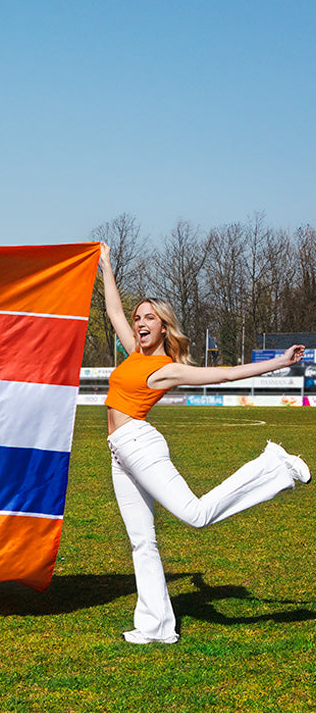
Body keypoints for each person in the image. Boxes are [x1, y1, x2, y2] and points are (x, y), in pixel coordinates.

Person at [100, 243, 309, 644]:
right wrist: (106, 266)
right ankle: (156, 626)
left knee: (195, 515)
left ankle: (276, 467)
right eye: (138, 317)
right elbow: (111, 312)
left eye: (149, 318)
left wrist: (279, 362)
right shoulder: (132, 354)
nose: (140, 322)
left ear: (164, 326)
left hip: (139, 444)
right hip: (119, 452)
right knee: (142, 540)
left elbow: (227, 375)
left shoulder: (166, 368)